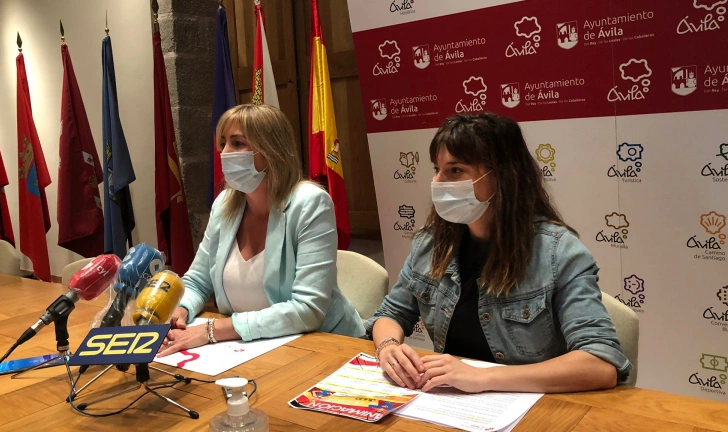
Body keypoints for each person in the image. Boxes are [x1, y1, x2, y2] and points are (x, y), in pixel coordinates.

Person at [368, 113, 631, 393]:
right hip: (449, 402)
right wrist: (388, 347)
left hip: (535, 406)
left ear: (501, 175)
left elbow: (600, 364)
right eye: (437, 169)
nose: (438, 182)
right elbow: (391, 314)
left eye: (455, 170)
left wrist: (483, 378)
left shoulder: (558, 252)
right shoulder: (432, 243)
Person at [158, 104, 364, 356]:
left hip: (324, 346)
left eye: (237, 143)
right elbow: (198, 282)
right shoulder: (224, 204)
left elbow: (308, 309)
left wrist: (213, 330)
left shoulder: (310, 203)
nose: (224, 153)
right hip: (249, 349)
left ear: (271, 150)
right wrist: (181, 310)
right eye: (223, 143)